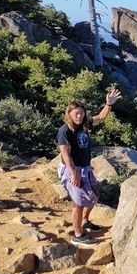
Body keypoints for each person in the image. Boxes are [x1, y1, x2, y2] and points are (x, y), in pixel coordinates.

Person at [57, 87, 122, 247]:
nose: (79, 116)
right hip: (72, 169)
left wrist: (109, 104)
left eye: (81, 113)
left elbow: (100, 117)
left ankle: (85, 221)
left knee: (95, 194)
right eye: (76, 114)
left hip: (85, 167)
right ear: (69, 114)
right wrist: (73, 174)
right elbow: (66, 154)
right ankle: (77, 235)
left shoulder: (84, 124)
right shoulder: (65, 131)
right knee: (78, 204)